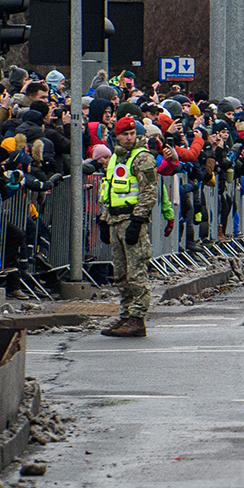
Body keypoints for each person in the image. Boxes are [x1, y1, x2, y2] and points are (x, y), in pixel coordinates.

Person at [99, 116, 158, 338]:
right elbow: (109, 190)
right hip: (115, 220)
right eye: (125, 134)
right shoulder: (115, 157)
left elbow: (148, 192)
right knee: (121, 274)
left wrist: (138, 220)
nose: (129, 137)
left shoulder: (142, 158)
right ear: (117, 136)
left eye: (132, 134)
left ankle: (137, 318)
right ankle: (126, 315)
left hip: (132, 220)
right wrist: (104, 219)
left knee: (136, 272)